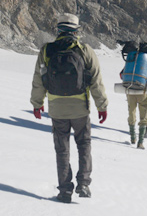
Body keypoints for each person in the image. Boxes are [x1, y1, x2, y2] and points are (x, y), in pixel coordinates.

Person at [30, 13, 108, 203]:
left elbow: (38, 80)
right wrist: (102, 106)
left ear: (58, 29)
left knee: (62, 149)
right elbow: (96, 80)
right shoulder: (85, 50)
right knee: (84, 144)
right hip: (80, 107)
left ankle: (65, 190)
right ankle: (83, 183)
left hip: (56, 108)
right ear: (76, 31)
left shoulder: (47, 50)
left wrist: (37, 104)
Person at [121, 58, 147, 149]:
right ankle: (140, 142)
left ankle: (133, 137)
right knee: (144, 116)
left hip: (130, 91)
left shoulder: (131, 61)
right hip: (143, 92)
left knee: (131, 112)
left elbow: (122, 75)